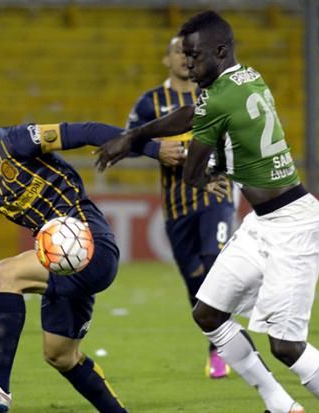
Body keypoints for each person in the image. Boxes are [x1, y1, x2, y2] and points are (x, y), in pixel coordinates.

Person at [96, 11, 319, 413]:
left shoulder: (219, 98)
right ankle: (279, 403)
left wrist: (201, 172)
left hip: (293, 223)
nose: (188, 64)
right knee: (207, 313)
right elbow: (194, 114)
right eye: (185, 55)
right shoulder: (245, 78)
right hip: (262, 223)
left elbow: (191, 172)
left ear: (220, 52)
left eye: (195, 55)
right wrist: (135, 135)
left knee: (286, 346)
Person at [0, 109, 183, 413]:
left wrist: (154, 149)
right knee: (60, 356)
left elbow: (87, 131)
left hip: (92, 245)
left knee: (6, 273)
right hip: (60, 260)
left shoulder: (17, 141)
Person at [126, 35, 234, 379]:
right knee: (195, 283)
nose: (185, 57)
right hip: (177, 205)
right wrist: (158, 149)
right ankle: (217, 338)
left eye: (191, 52)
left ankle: (223, 350)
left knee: (214, 265)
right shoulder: (150, 102)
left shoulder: (216, 93)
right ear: (166, 60)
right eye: (178, 52)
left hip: (215, 193)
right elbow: (129, 142)